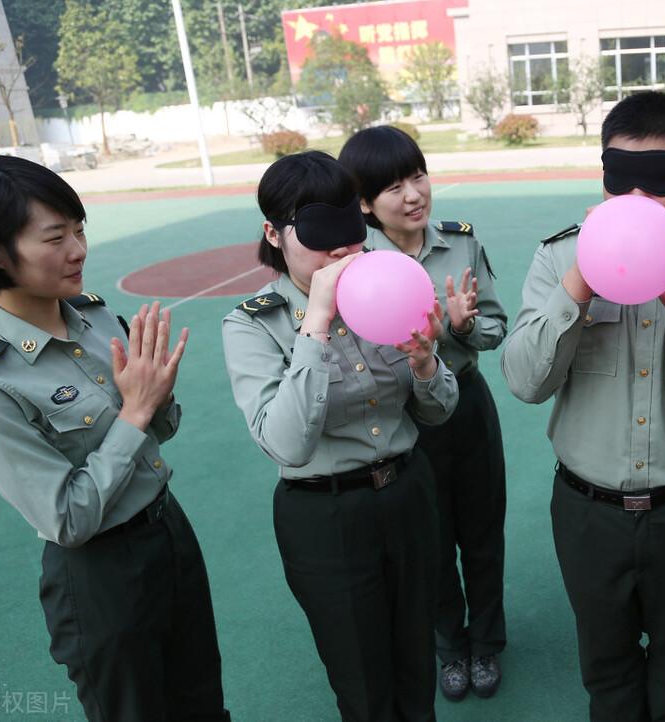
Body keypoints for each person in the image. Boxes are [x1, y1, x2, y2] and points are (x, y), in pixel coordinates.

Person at [501, 90, 665, 722]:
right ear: (602, 175)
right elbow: (525, 382)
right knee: (607, 669)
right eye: (622, 177)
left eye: (660, 178)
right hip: (588, 513)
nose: (639, 197)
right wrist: (580, 282)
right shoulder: (559, 258)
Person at [0, 155, 230, 721]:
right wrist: (134, 413)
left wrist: (156, 398)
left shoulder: (95, 317)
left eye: (80, 230)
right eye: (55, 237)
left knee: (204, 704)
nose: (78, 250)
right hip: (101, 574)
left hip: (168, 531)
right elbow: (66, 519)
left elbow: (160, 431)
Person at [220, 150, 457, 722]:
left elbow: (439, 411)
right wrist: (317, 323)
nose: (342, 252)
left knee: (416, 666)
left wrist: (426, 363)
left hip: (407, 494)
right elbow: (286, 444)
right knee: (363, 684)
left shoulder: (388, 287)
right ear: (274, 234)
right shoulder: (252, 325)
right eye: (321, 235)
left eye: (350, 232)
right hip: (325, 516)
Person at [339, 126, 510, 702]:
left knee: (482, 532)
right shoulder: (355, 263)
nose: (413, 195)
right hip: (404, 418)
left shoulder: (460, 242)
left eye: (418, 177)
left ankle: (486, 643)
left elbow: (496, 326)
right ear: (365, 204)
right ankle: (449, 646)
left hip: (467, 404)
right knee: (428, 542)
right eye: (393, 187)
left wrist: (462, 328)